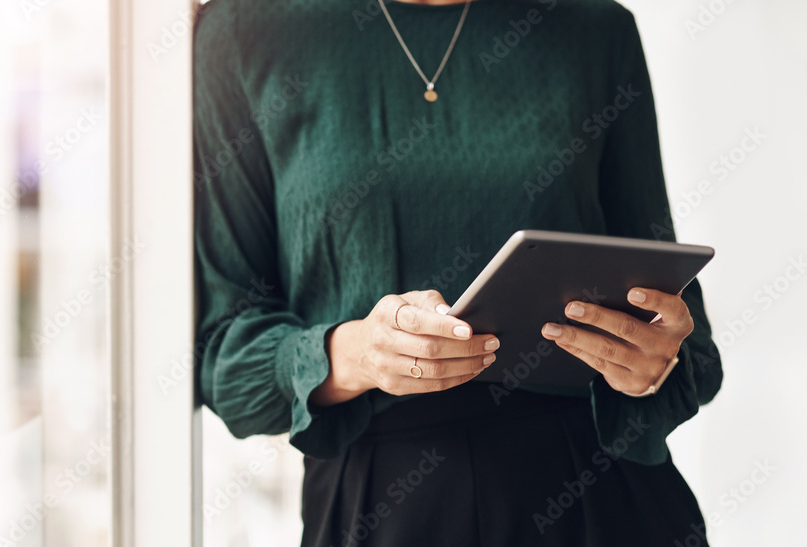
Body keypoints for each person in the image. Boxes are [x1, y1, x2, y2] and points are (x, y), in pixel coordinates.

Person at [193, 0, 723, 544]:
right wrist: (357, 353)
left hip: (599, 490)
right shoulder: (244, 28)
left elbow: (682, 330)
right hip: (380, 500)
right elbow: (221, 358)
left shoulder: (595, 29)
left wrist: (654, 361)